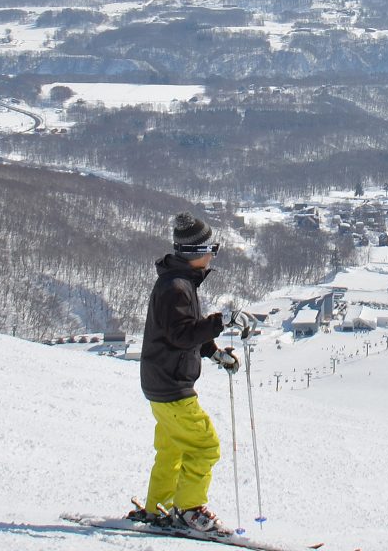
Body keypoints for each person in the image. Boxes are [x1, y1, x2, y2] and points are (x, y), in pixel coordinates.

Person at [131, 212, 238, 536]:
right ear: (196, 253)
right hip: (172, 385)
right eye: (212, 248)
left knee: (173, 449)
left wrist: (214, 351)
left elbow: (184, 332)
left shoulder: (178, 283)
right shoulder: (177, 287)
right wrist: (223, 320)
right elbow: (180, 335)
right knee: (205, 445)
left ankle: (158, 507)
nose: (213, 254)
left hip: (159, 381)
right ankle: (190, 510)